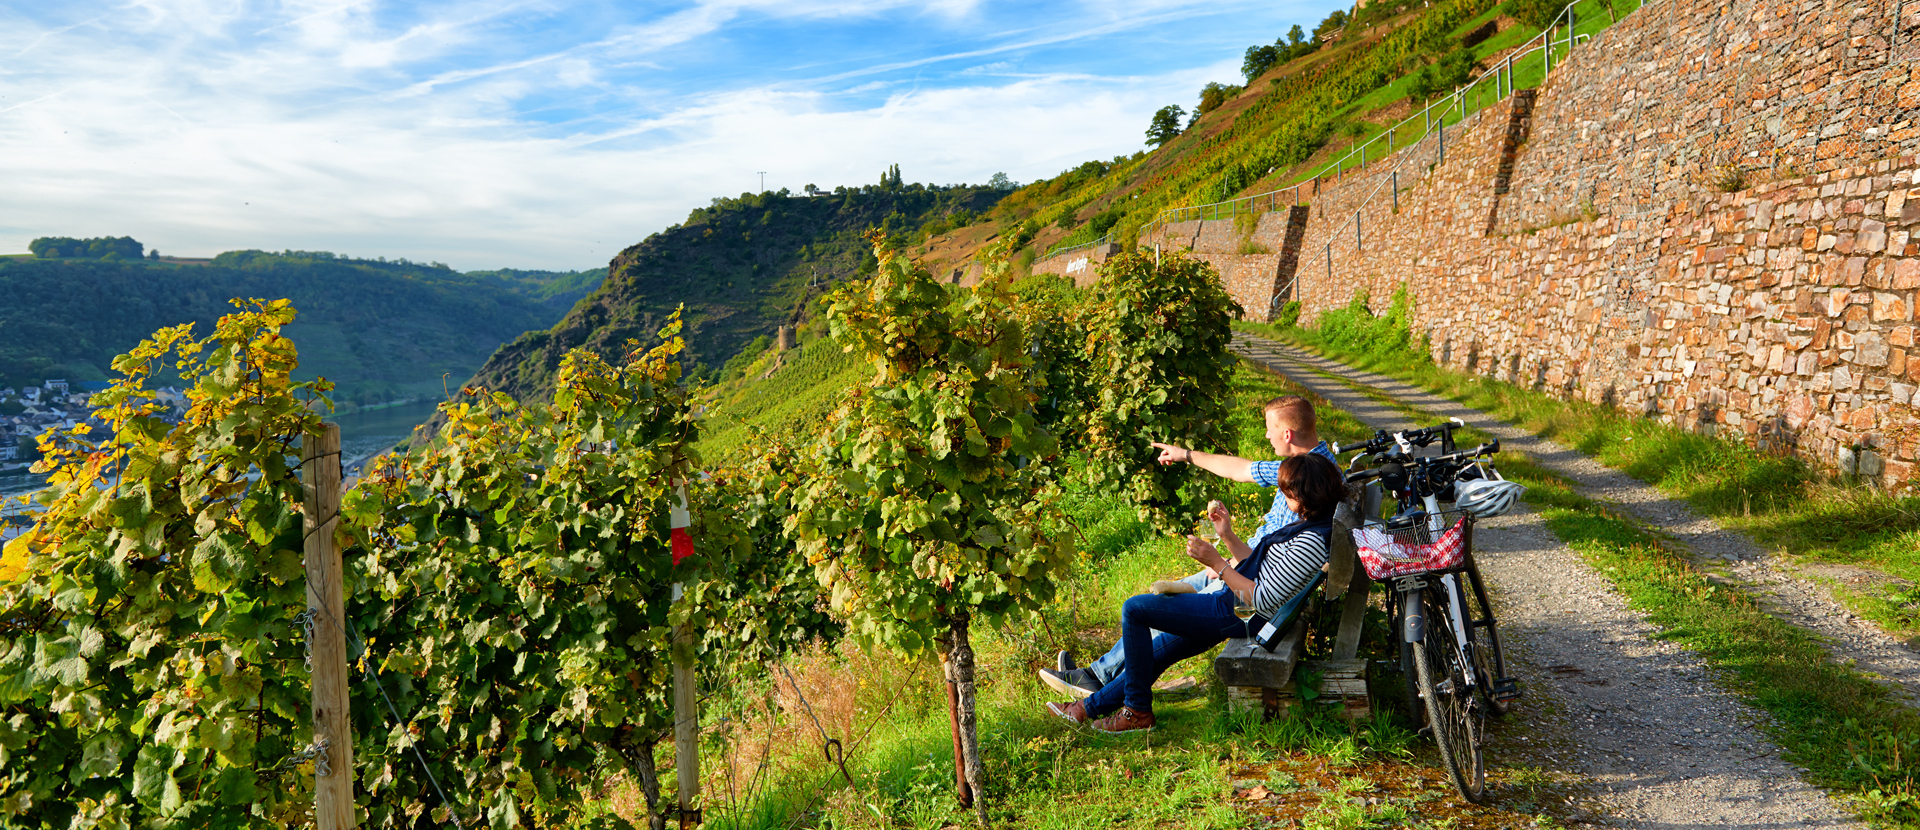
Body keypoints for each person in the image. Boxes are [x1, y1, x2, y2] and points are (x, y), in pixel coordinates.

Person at [1038, 395, 1336, 698]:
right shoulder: (1302, 469)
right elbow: (1241, 470)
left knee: (1154, 613)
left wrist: (1223, 565)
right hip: (1249, 571)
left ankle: (1113, 695)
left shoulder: (1307, 478)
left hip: (1253, 589)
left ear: (1287, 434)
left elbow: (1276, 575)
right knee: (1165, 598)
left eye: (1269, 428)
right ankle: (1098, 678)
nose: (1266, 435)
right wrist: (1187, 456)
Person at [1044, 452, 1348, 733]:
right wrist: (1226, 535)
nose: (1282, 496)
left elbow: (1262, 598)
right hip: (1237, 605)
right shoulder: (1310, 524)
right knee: (1160, 649)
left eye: (1286, 491)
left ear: (1304, 494)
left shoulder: (1310, 540)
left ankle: (1136, 711)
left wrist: (1216, 563)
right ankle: (1084, 710)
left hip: (1240, 613)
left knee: (1135, 609)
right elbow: (1257, 566)